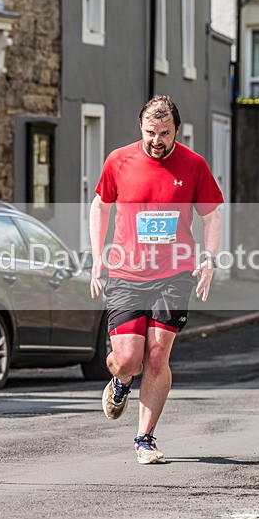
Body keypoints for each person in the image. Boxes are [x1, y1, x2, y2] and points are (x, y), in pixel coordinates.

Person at [89, 96, 223, 464]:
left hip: (175, 273)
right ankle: (120, 381)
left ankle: (144, 438)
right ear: (141, 128)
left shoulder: (193, 165)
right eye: (150, 132)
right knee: (128, 360)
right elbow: (100, 205)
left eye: (164, 133)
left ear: (177, 130)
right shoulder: (119, 161)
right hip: (126, 273)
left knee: (157, 353)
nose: (156, 140)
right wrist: (97, 256)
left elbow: (211, 216)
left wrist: (209, 258)